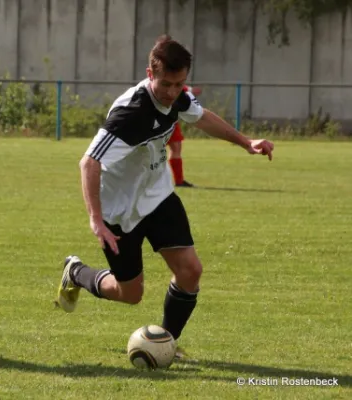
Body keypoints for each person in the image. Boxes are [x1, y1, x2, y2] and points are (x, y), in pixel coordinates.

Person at [55, 34, 273, 357]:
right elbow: (88, 162)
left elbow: (204, 118)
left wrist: (245, 142)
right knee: (129, 293)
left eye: (179, 84)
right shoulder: (130, 113)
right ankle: (75, 271)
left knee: (191, 271)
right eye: (166, 84)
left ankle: (166, 342)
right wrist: (96, 219)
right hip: (119, 210)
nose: (173, 92)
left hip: (157, 196)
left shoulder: (179, 98)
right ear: (150, 74)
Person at [167, 85, 203, 187]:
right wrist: (191, 90)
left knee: (176, 148)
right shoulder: (172, 82)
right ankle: (178, 181)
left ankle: (179, 180)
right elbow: (180, 88)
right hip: (167, 119)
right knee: (174, 148)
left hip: (171, 119)